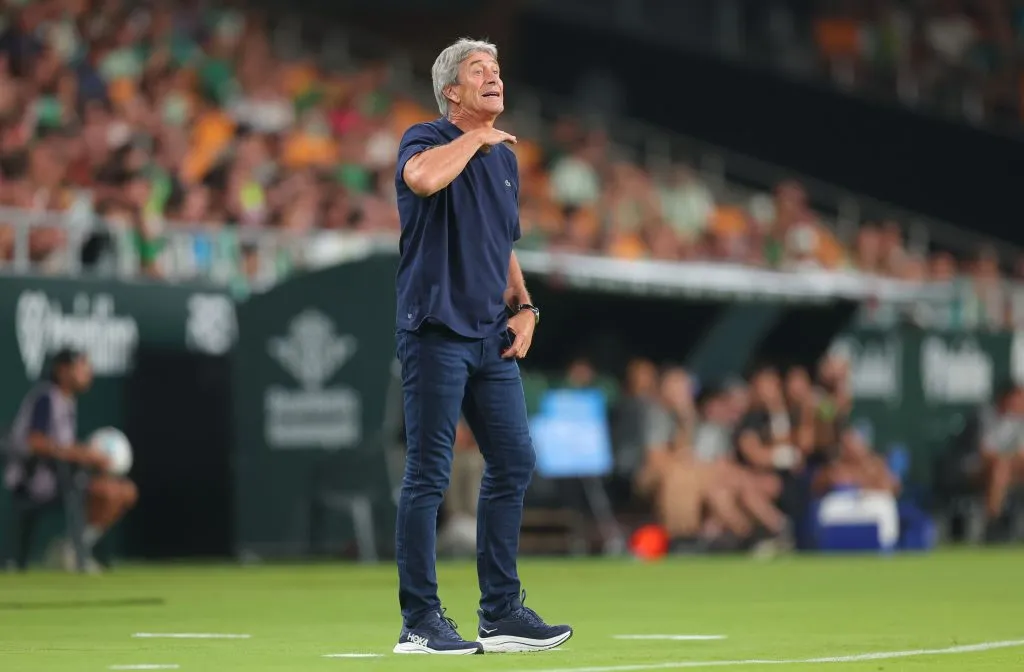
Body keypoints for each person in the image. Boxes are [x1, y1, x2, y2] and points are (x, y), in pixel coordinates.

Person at [391, 38, 572, 655]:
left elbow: (502, 246)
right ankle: (419, 621)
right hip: (436, 330)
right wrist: (474, 139)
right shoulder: (425, 137)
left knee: (514, 461)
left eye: (496, 70)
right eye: (479, 72)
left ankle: (500, 615)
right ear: (452, 93)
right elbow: (421, 180)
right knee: (429, 474)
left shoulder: (504, 159)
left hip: (487, 333)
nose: (494, 78)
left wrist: (523, 307)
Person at [4, 349, 138, 572]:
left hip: (62, 476)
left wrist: (83, 456)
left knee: (126, 491)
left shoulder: (67, 401)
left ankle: (73, 547)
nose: (88, 373)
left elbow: (64, 447)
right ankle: (73, 551)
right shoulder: (46, 397)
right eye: (82, 367)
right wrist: (82, 454)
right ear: (63, 370)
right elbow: (35, 442)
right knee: (107, 492)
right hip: (34, 479)